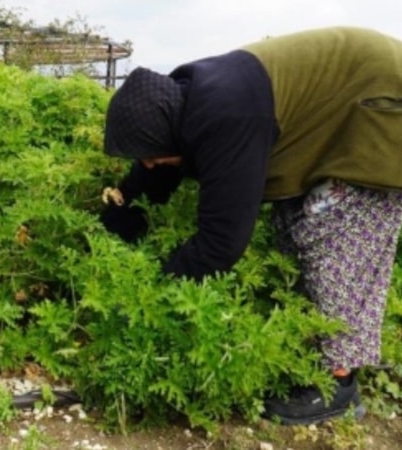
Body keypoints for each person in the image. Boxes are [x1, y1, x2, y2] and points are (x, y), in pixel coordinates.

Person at [100, 26, 402, 425]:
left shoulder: (225, 117)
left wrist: (158, 290)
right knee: (291, 233)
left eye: (152, 155)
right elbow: (156, 166)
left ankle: (336, 386)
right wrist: (122, 210)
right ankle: (307, 356)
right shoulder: (180, 102)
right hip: (342, 96)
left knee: (336, 240)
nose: (150, 163)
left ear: (166, 132)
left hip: (376, 105)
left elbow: (222, 242)